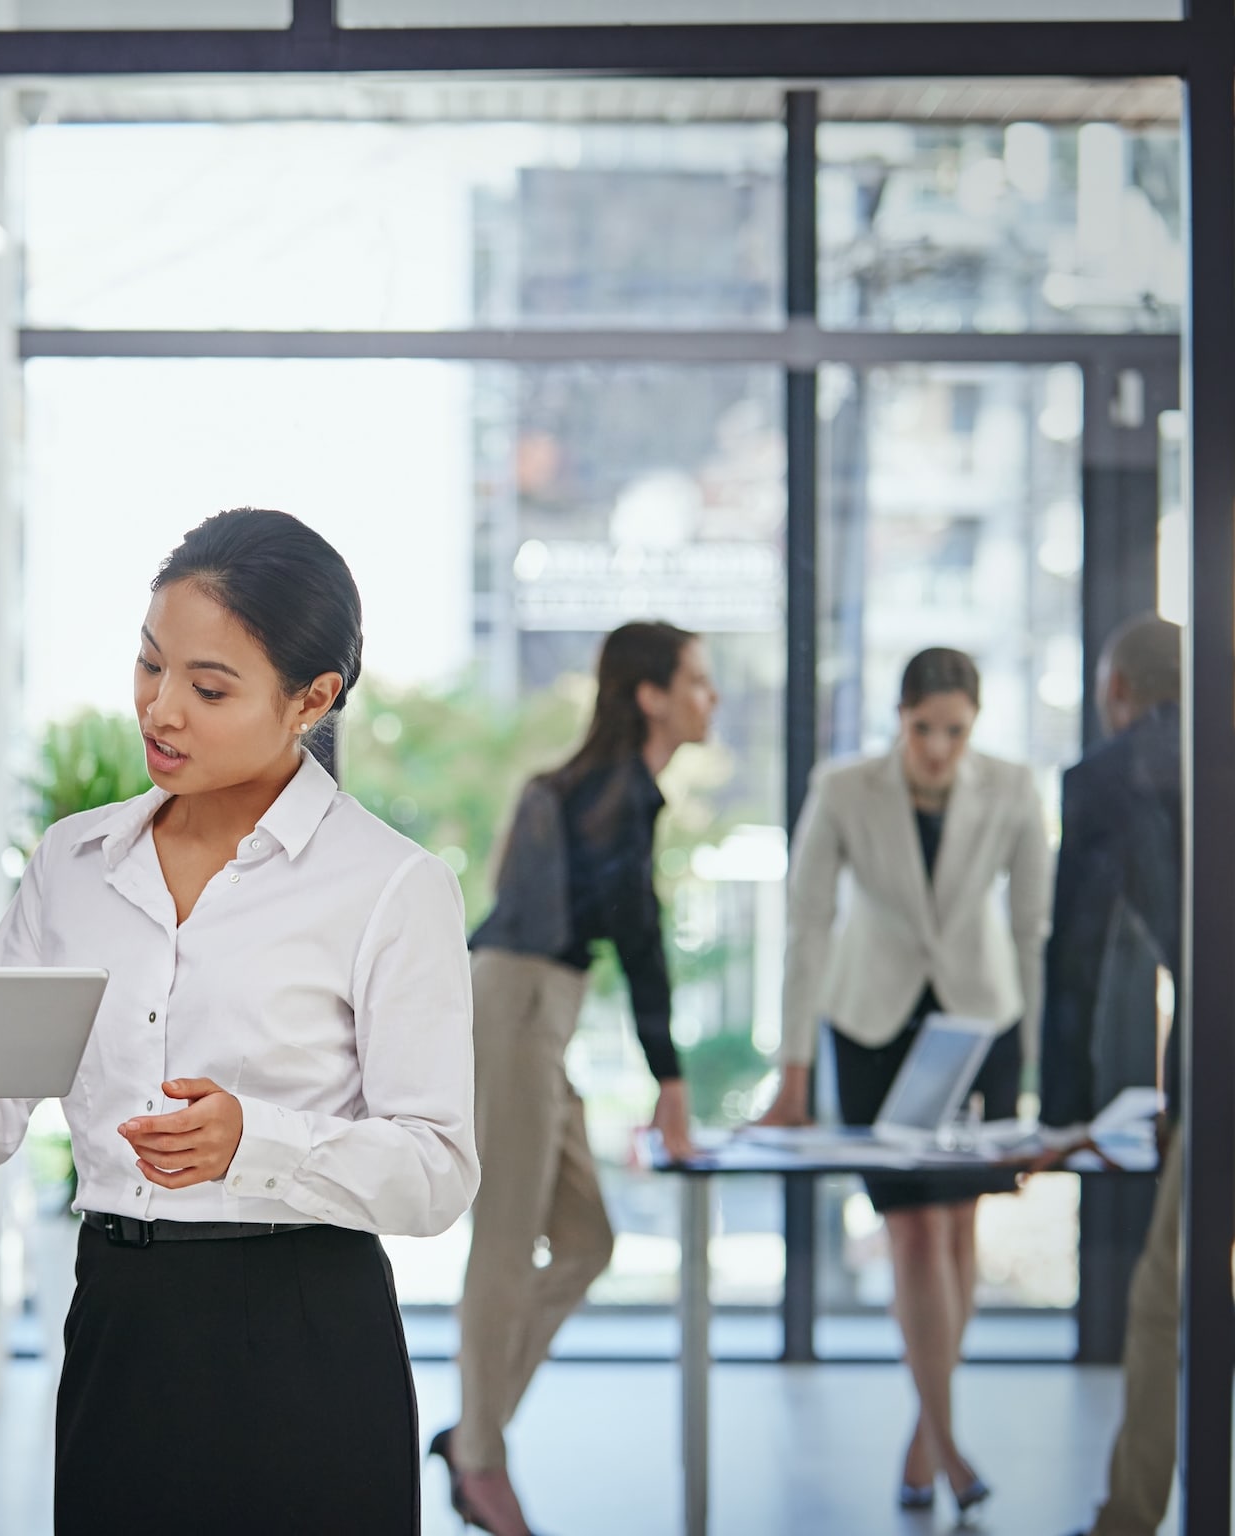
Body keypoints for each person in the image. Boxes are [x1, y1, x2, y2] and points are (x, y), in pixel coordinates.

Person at [0, 508, 478, 1536]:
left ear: (311, 700)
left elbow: (435, 1174)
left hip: (306, 1333)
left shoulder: (388, 886)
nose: (159, 709)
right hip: (122, 1323)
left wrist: (258, 1142)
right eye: (148, 666)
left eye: (208, 688)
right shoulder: (71, 865)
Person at [432, 619, 717, 1536]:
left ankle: (473, 1430)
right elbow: (639, 942)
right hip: (516, 1007)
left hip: (532, 1010)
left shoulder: (605, 789)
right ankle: (481, 1458)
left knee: (587, 1239)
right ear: (651, 695)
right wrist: (669, 1082)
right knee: (508, 1241)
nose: (710, 698)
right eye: (698, 682)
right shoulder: (614, 795)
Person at [762, 646, 1052, 1516]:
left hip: (981, 1023)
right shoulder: (846, 788)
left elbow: (1033, 928)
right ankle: (952, 1447)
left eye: (955, 731)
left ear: (976, 724)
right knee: (914, 1235)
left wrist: (1035, 1069)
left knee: (959, 1229)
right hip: (871, 1027)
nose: (938, 748)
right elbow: (806, 925)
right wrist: (793, 1067)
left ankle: (926, 1434)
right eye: (923, 729)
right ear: (900, 718)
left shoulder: (1012, 786)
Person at [1044, 615, 1182, 1536]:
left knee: (1160, 1301)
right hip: (1209, 1064)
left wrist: (1058, 1118)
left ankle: (1127, 1521)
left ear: (1119, 692)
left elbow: (1078, 962)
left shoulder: (1105, 780)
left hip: (1221, 1067)